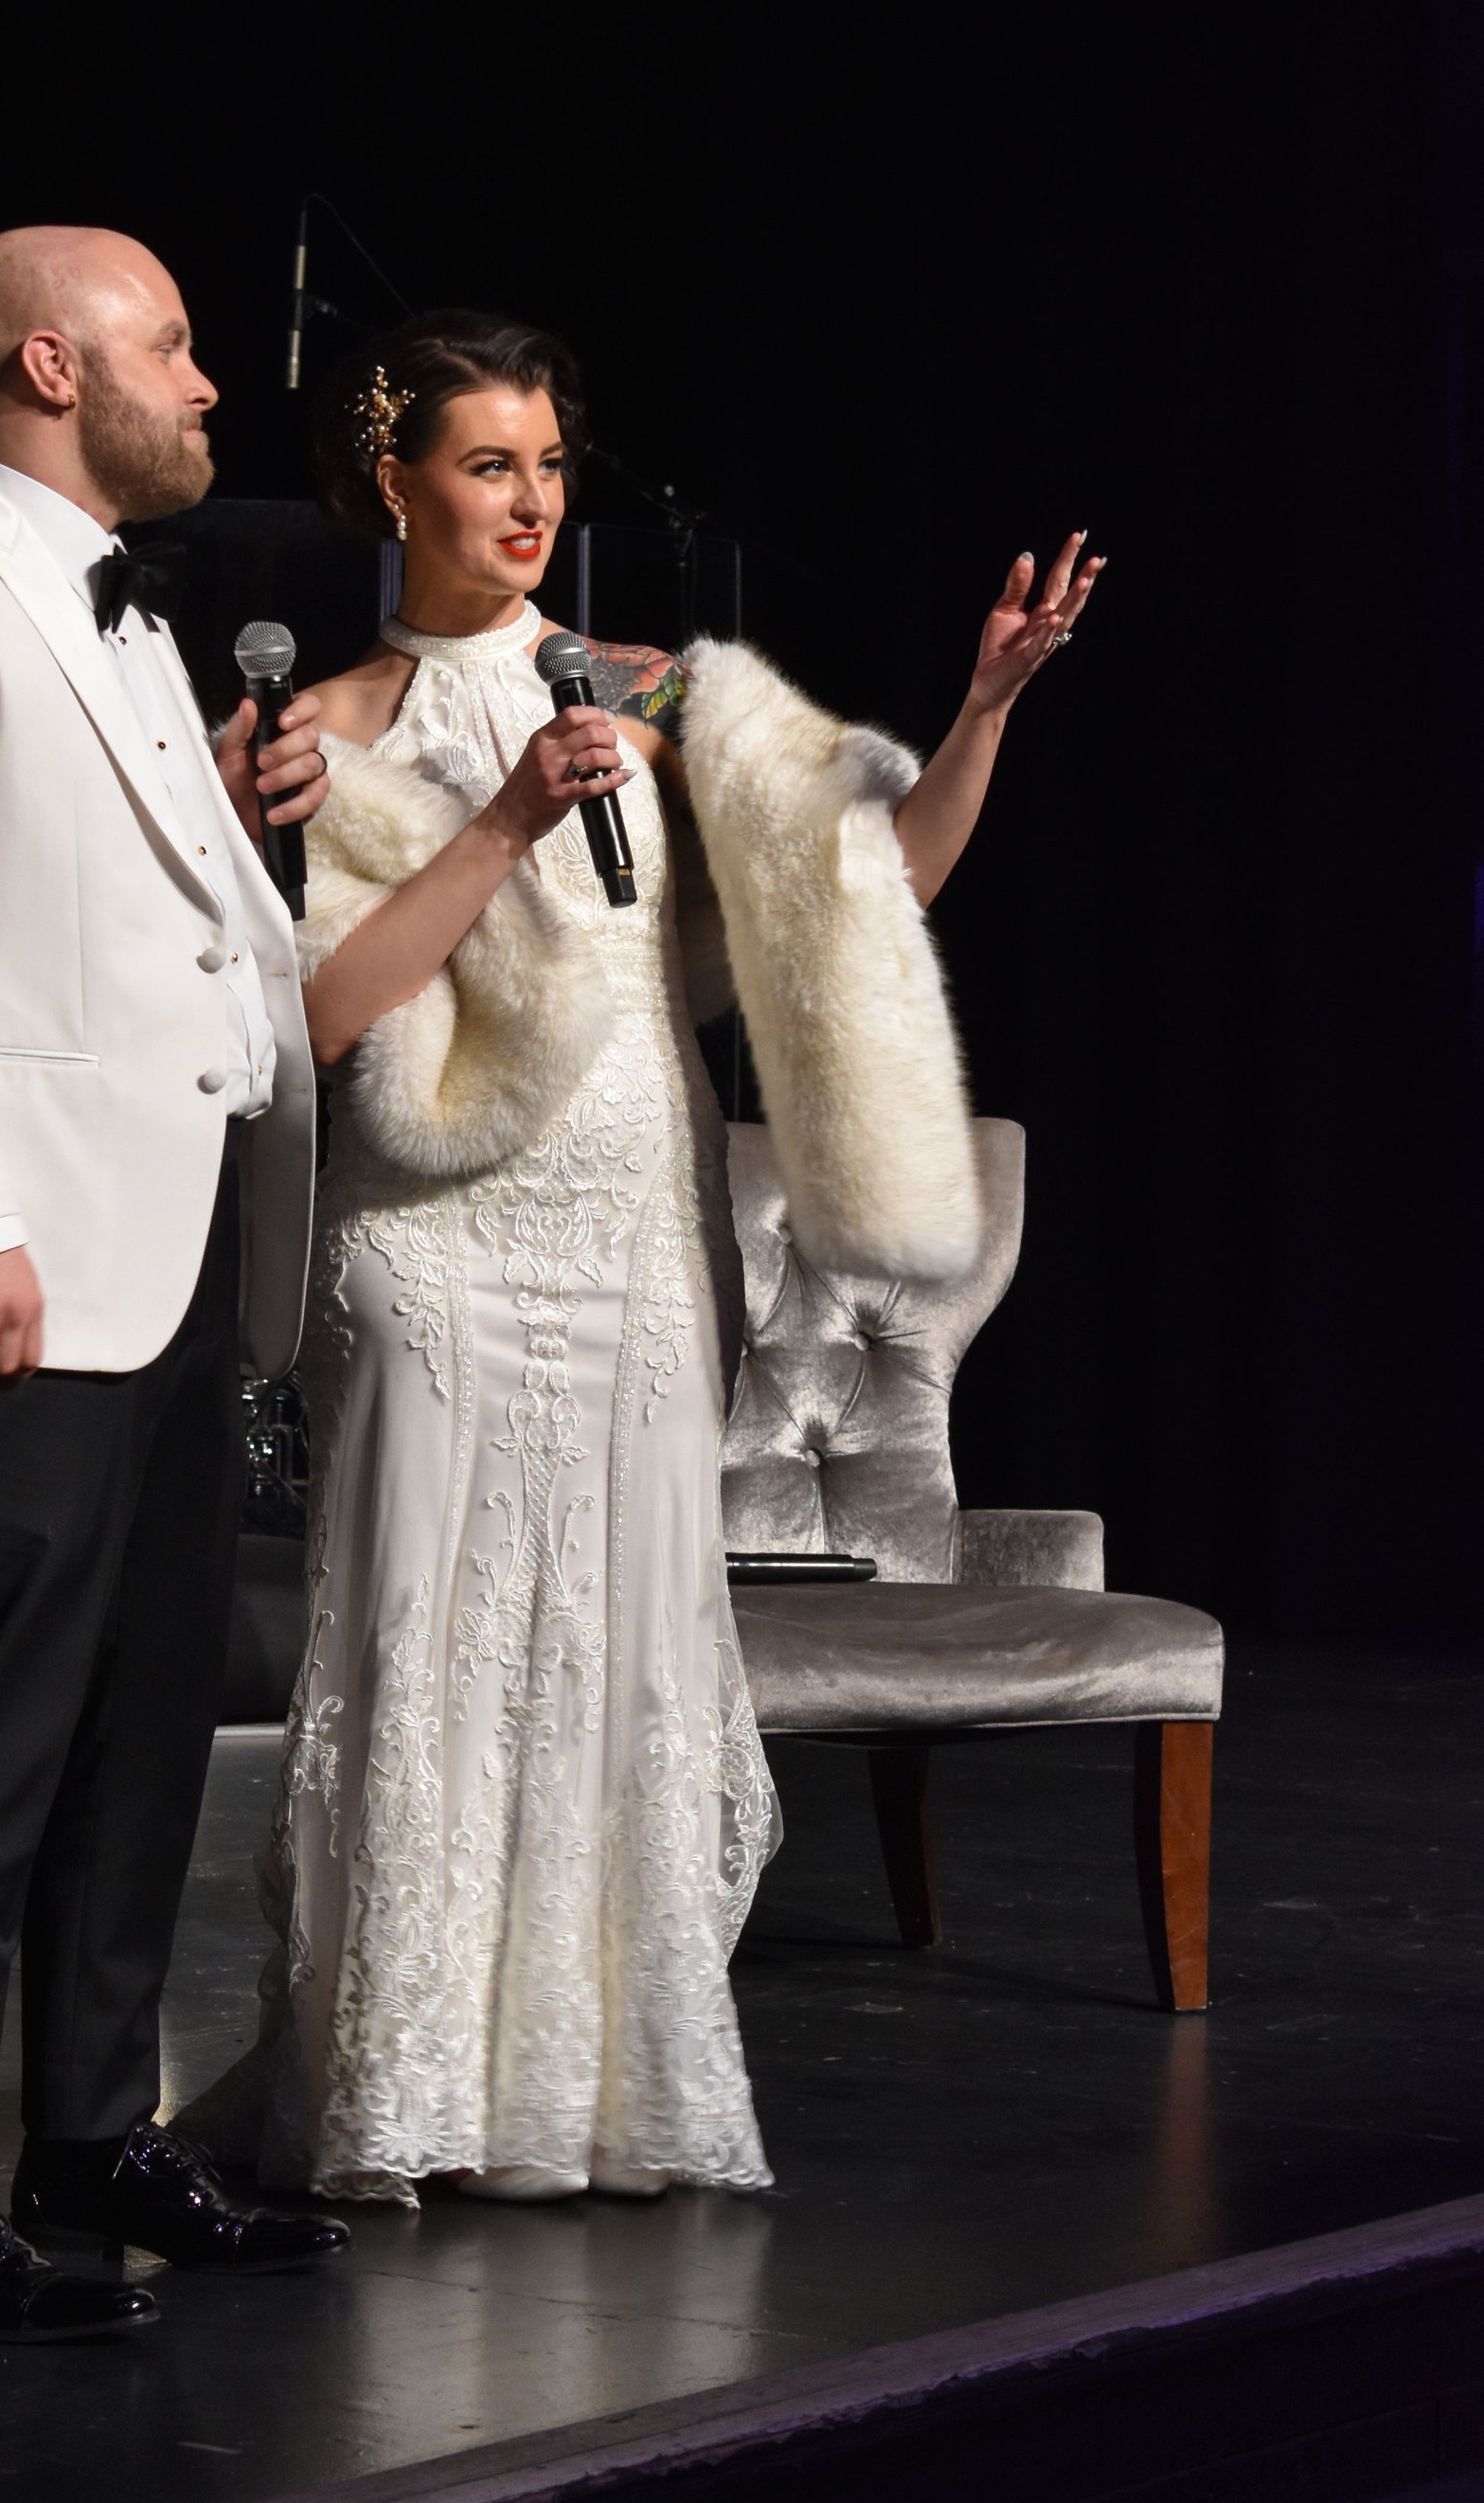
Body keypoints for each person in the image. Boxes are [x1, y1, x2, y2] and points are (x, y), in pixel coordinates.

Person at [182, 311, 1100, 2206]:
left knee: (610, 1649)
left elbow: (877, 891)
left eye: (545, 464)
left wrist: (986, 705)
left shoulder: (659, 696)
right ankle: (394, 2091)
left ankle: (602, 2093)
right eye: (483, 464)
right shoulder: (317, 732)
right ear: (393, 484)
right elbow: (328, 1016)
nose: (525, 502)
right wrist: (508, 811)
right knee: (425, 1637)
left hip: (629, 1223)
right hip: (426, 1239)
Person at [0, 225, 350, 2339]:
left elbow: (90, 902)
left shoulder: (105, 606)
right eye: (172, 349)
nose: (209, 386)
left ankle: (89, 2132)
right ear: (47, 364)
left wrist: (213, 807)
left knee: (135, 1709)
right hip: (19, 1248)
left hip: (166, 1226)